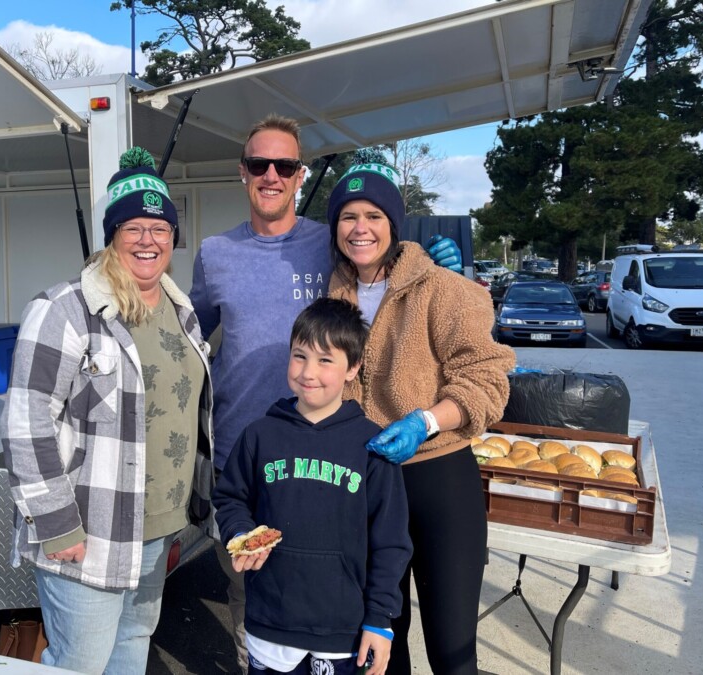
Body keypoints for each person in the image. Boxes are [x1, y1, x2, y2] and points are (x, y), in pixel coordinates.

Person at [188, 114, 461, 673]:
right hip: (248, 456)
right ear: (242, 172)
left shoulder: (328, 244)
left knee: (340, 602)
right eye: (259, 164)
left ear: (299, 174)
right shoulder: (214, 254)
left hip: (333, 457)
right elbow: (186, 338)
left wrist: (433, 269)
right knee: (253, 611)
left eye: (283, 165)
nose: (271, 175)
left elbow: (382, 261)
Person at [1, 147, 214, 675]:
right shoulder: (65, 309)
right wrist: (57, 524)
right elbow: (27, 422)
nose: (148, 240)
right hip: (90, 531)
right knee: (81, 663)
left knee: (132, 647)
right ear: (111, 235)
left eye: (160, 228)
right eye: (133, 227)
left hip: (159, 528)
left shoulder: (181, 309)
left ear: (173, 237)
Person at [325, 158, 516, 674]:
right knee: (379, 646)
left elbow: (487, 379)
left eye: (373, 216)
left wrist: (425, 422)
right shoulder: (334, 292)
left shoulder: (443, 290)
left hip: (437, 479)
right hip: (367, 483)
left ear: (394, 224)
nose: (360, 228)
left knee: (452, 651)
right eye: (348, 216)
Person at [213, 297, 413, 675]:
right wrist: (241, 532)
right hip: (270, 619)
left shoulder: (372, 446)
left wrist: (380, 618)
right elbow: (230, 497)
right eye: (300, 356)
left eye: (325, 360)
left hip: (342, 630)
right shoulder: (260, 435)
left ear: (353, 368)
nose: (308, 372)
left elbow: (390, 541)